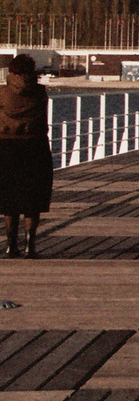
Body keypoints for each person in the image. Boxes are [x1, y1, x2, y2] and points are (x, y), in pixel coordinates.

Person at [0, 54, 52, 258]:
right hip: (35, 145)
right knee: (33, 197)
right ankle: (31, 245)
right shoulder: (40, 92)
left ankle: (11, 245)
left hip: (6, 145)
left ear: (11, 71)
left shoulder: (2, 93)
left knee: (9, 198)